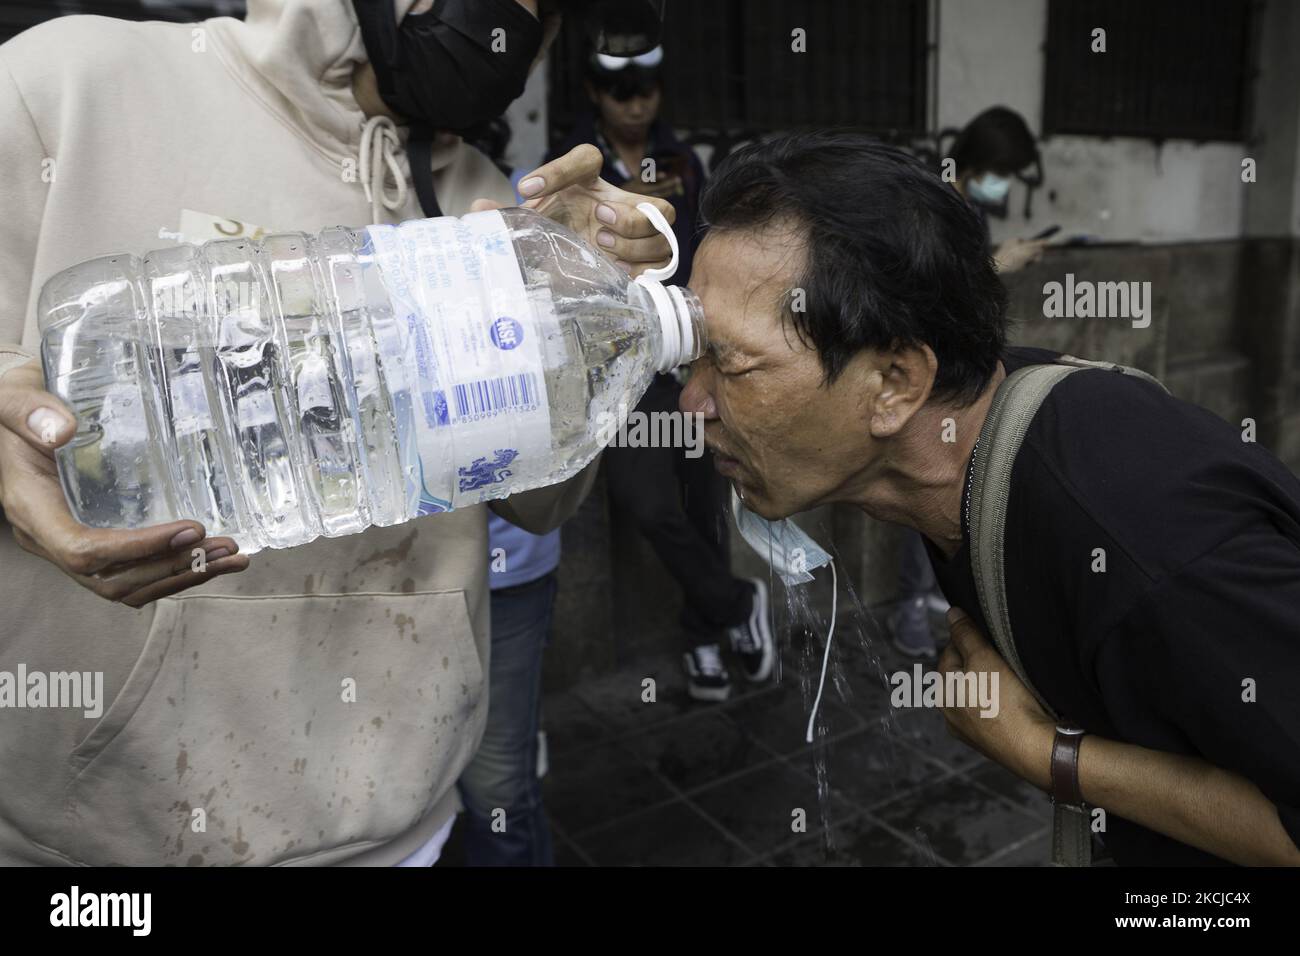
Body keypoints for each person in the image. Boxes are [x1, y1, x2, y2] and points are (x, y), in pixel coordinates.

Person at [0, 0, 673, 866]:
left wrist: (584, 317)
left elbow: (540, 504)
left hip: (397, 831)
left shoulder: (487, 205)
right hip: (94, 847)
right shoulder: (64, 83)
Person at [678, 130, 1300, 866]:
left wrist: (1048, 756)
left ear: (897, 382)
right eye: (693, 353)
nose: (692, 405)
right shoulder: (964, 451)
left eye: (732, 364)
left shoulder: (1140, 543)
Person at [550, 45, 772, 702]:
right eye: (621, 92)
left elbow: (707, 252)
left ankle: (705, 633)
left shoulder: (683, 161)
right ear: (596, 92)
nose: (636, 103)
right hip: (620, 370)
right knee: (648, 502)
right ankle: (736, 604)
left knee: (706, 503)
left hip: (689, 355)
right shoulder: (569, 164)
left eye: (647, 89)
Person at [890, 105, 1049, 661]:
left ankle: (937, 601)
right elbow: (937, 294)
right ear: (982, 164)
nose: (1003, 186)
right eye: (1003, 173)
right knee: (923, 486)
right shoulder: (931, 204)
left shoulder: (964, 208)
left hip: (955, 373)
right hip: (921, 375)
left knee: (950, 490)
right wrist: (1002, 263)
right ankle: (912, 606)